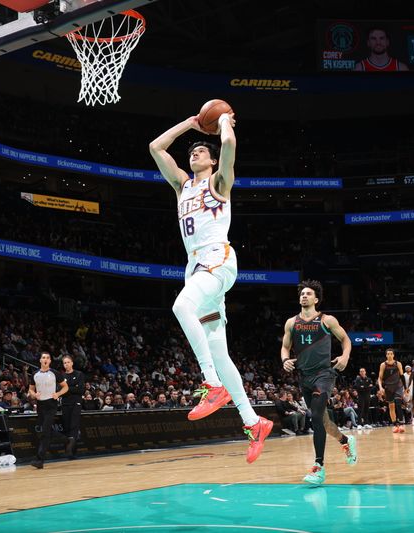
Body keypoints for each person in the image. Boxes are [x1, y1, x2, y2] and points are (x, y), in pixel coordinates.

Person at [149, 108, 272, 463]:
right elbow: (156, 147)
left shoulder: (219, 182)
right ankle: (253, 422)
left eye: (201, 151)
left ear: (214, 159)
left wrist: (223, 123)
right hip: (197, 267)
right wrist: (189, 122)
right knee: (220, 351)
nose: (194, 154)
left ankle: (212, 384)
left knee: (180, 307)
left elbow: (230, 144)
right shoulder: (181, 185)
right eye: (192, 152)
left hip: (217, 259)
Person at [280, 279, 355, 485]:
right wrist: (285, 360)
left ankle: (318, 467)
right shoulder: (291, 323)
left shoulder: (326, 320)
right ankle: (345, 441)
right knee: (323, 421)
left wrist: (345, 356)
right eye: (302, 293)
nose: (304, 296)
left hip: (324, 374)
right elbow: (285, 347)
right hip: (304, 376)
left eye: (308, 294)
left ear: (316, 299)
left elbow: (346, 340)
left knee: (314, 415)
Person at [27, 351, 68, 469]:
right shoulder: (34, 374)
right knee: (47, 430)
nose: (45, 359)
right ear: (40, 360)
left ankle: (40, 460)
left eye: (47, 358)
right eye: (43, 357)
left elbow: (66, 387)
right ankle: (65, 439)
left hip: (51, 404)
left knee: (45, 432)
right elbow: (30, 389)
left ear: (50, 361)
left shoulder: (55, 373)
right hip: (40, 405)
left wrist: (58, 394)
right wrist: (34, 395)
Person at [60, 354, 85, 458]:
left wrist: (67, 389)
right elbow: (60, 390)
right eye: (64, 363)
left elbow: (80, 390)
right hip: (65, 403)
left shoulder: (79, 374)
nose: (66, 364)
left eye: (68, 362)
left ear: (72, 363)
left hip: (76, 403)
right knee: (67, 426)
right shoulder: (61, 377)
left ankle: (70, 450)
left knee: (74, 425)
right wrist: (72, 387)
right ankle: (71, 451)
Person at [377, 348, 405, 433]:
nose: (389, 355)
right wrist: (380, 387)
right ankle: (395, 425)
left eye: (391, 354)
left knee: (398, 402)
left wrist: (406, 387)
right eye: (388, 354)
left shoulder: (398, 364)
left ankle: (401, 424)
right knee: (391, 407)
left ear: (393, 355)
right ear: (386, 355)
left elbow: (402, 376)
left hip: (398, 386)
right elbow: (380, 378)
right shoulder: (383, 365)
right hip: (388, 387)